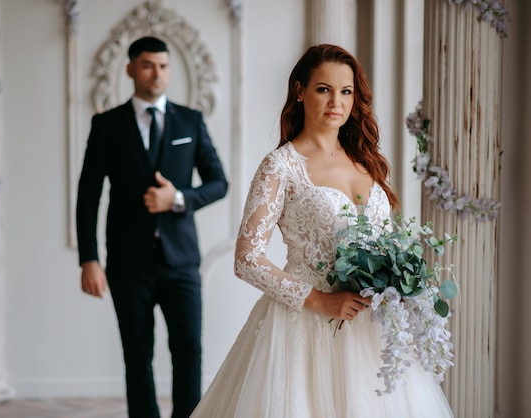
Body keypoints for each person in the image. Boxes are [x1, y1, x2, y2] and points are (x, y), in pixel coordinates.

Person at [190, 44, 454, 417]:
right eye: (323, 89)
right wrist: (318, 299)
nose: (336, 101)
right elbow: (246, 259)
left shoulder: (367, 160)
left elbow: (383, 242)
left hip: (372, 327)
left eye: (346, 91)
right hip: (303, 326)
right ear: (300, 91)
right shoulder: (280, 167)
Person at [76, 36, 228, 418]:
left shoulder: (190, 120)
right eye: (147, 65)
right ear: (130, 69)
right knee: (137, 356)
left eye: (163, 65)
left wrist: (177, 199)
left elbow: (218, 183)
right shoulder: (107, 125)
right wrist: (89, 260)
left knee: (189, 351)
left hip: (181, 261)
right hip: (128, 263)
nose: (156, 73)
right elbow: (88, 196)